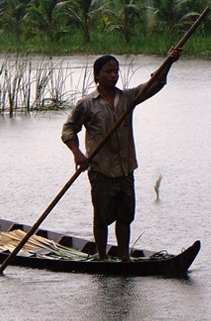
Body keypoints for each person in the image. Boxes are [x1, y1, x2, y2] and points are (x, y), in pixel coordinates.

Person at [61, 47, 182, 261]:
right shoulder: (87, 104)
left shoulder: (127, 98)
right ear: (97, 76)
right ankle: (103, 259)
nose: (114, 75)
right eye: (108, 72)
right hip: (101, 169)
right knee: (101, 217)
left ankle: (125, 259)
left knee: (125, 217)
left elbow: (153, 85)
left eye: (116, 71)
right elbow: (69, 130)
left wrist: (169, 62)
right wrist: (77, 154)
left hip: (125, 169)